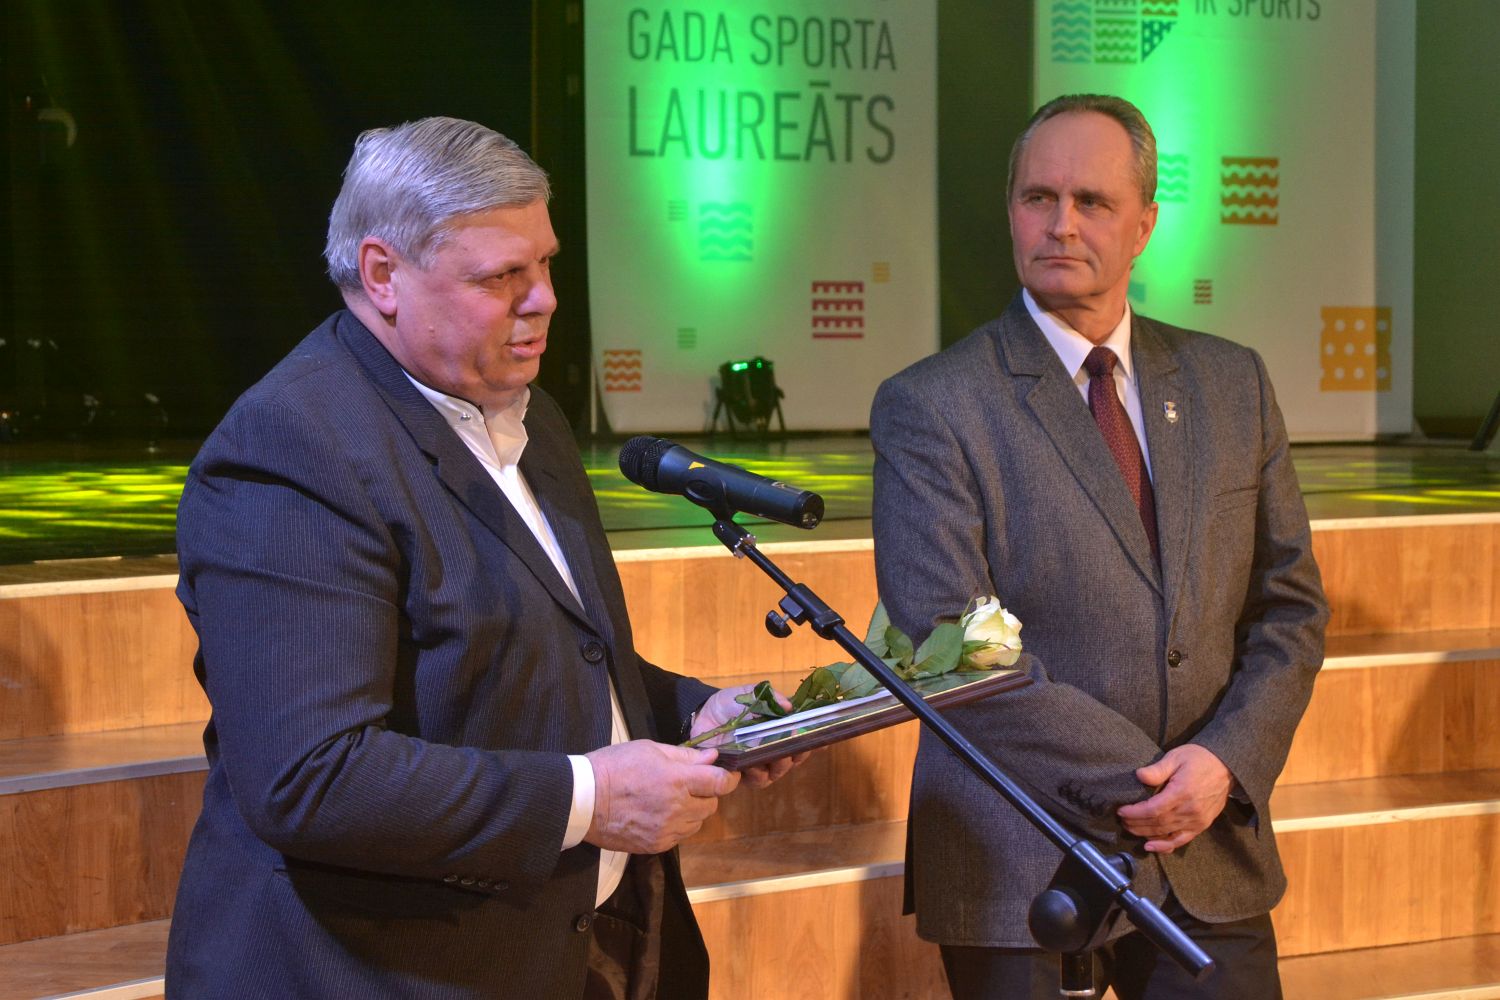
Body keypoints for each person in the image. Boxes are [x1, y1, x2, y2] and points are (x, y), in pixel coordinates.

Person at [167, 116, 802, 1000]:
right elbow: (311, 778)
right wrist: (591, 798)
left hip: (563, 950)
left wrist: (692, 711)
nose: (544, 299)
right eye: (503, 275)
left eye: (546, 264)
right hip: (378, 973)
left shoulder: (525, 411)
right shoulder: (293, 448)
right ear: (383, 274)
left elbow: (534, 656)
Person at [870, 94, 1329, 999]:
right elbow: (952, 647)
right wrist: (1153, 785)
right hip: (1019, 854)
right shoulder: (932, 404)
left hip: (1207, 848)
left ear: (1145, 225)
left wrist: (1224, 763)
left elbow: (1290, 609)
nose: (1061, 224)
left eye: (1092, 201)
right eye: (1038, 198)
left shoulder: (1232, 382)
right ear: (1011, 211)